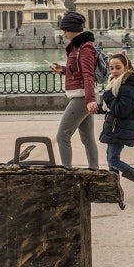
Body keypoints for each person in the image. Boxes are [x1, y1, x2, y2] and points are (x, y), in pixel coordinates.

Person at [98, 52, 134, 202]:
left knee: (114, 160)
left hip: (120, 128)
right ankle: (113, 191)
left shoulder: (127, 87)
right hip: (115, 127)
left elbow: (121, 110)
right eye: (111, 68)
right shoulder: (117, 84)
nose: (114, 71)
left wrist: (107, 96)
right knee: (111, 160)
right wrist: (98, 108)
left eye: (117, 67)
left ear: (126, 67)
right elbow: (112, 107)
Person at [50, 12, 100, 169]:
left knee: (62, 136)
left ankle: (67, 172)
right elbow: (78, 71)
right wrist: (63, 70)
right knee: (87, 138)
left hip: (81, 97)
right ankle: (94, 170)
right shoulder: (78, 47)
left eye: (65, 30)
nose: (64, 34)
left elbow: (88, 74)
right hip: (83, 95)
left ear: (72, 29)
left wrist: (90, 99)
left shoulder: (85, 48)